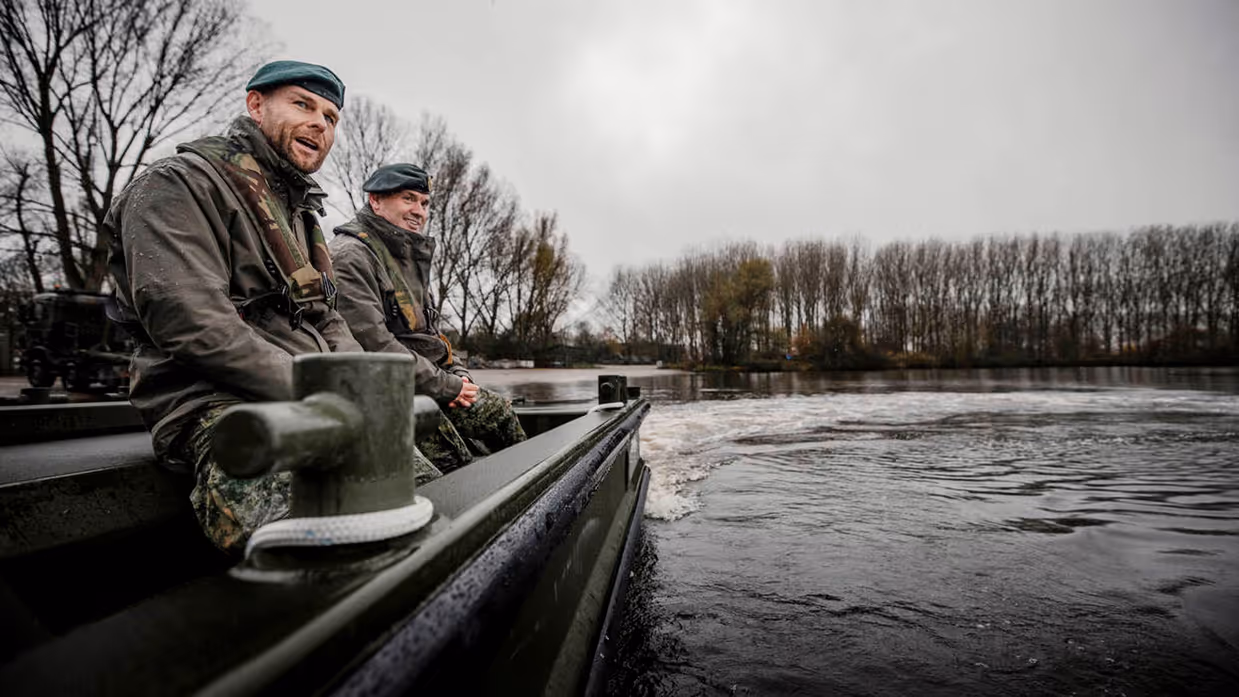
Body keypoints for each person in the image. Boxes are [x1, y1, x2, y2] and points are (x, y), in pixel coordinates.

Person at [105, 61, 439, 554]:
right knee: (322, 543)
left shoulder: (300, 213)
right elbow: (191, 321)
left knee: (428, 493)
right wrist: (325, 393)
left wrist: (361, 389)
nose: (319, 125)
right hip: (215, 401)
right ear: (255, 105)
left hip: (315, 401)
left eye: (330, 117)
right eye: (303, 105)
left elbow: (327, 317)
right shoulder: (176, 185)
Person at [330, 163, 526, 471]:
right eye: (408, 198)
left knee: (499, 414)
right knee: (453, 465)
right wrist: (446, 386)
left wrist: (461, 376)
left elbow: (434, 337)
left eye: (424, 203)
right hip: (387, 390)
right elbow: (374, 346)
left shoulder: (407, 257)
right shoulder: (350, 256)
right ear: (375, 200)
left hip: (428, 382)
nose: (419, 211)